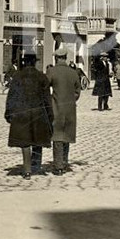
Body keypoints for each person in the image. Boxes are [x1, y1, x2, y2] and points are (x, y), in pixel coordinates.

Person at [5, 53, 54, 179]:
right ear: (34, 63)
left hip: (22, 113)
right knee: (37, 140)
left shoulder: (17, 77)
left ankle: (27, 170)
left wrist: (8, 112)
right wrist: (50, 115)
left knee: (25, 142)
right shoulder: (41, 77)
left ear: (24, 63)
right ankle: (36, 166)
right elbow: (47, 99)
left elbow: (11, 96)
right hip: (38, 113)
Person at [48, 47, 82, 175]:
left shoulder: (52, 71)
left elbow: (45, 86)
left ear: (56, 58)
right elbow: (77, 92)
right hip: (70, 109)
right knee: (66, 136)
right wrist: (71, 100)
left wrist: (51, 99)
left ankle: (58, 167)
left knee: (58, 137)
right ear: (66, 58)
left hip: (56, 108)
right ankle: (64, 162)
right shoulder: (73, 73)